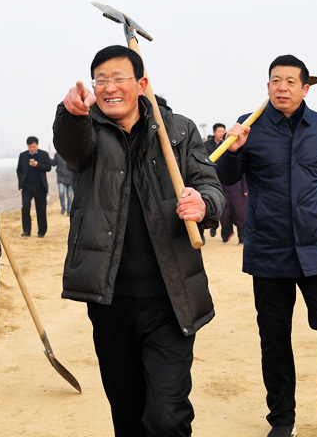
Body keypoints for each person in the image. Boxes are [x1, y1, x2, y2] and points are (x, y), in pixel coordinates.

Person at [52, 45, 224, 437]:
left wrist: (204, 204)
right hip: (110, 299)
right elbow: (70, 146)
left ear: (142, 84)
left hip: (171, 298)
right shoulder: (88, 129)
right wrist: (71, 114)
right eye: (101, 80)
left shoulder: (177, 129)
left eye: (119, 78)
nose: (109, 88)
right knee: (127, 414)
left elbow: (210, 186)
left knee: (167, 417)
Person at [218, 55, 317, 437]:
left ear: (305, 88)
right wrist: (232, 150)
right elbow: (227, 177)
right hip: (269, 247)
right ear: (267, 87)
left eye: (290, 81)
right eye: (275, 80)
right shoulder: (249, 125)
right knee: (274, 337)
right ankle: (282, 418)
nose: (282, 87)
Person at [16, 136, 51, 237]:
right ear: (27, 146)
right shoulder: (23, 156)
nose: (33, 149)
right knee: (25, 208)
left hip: (40, 186)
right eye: (30, 147)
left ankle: (41, 232)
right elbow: (19, 169)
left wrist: (38, 165)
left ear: (37, 145)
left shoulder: (43, 154)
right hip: (27, 187)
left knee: (41, 210)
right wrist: (21, 180)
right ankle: (26, 231)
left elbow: (48, 167)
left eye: (34, 146)